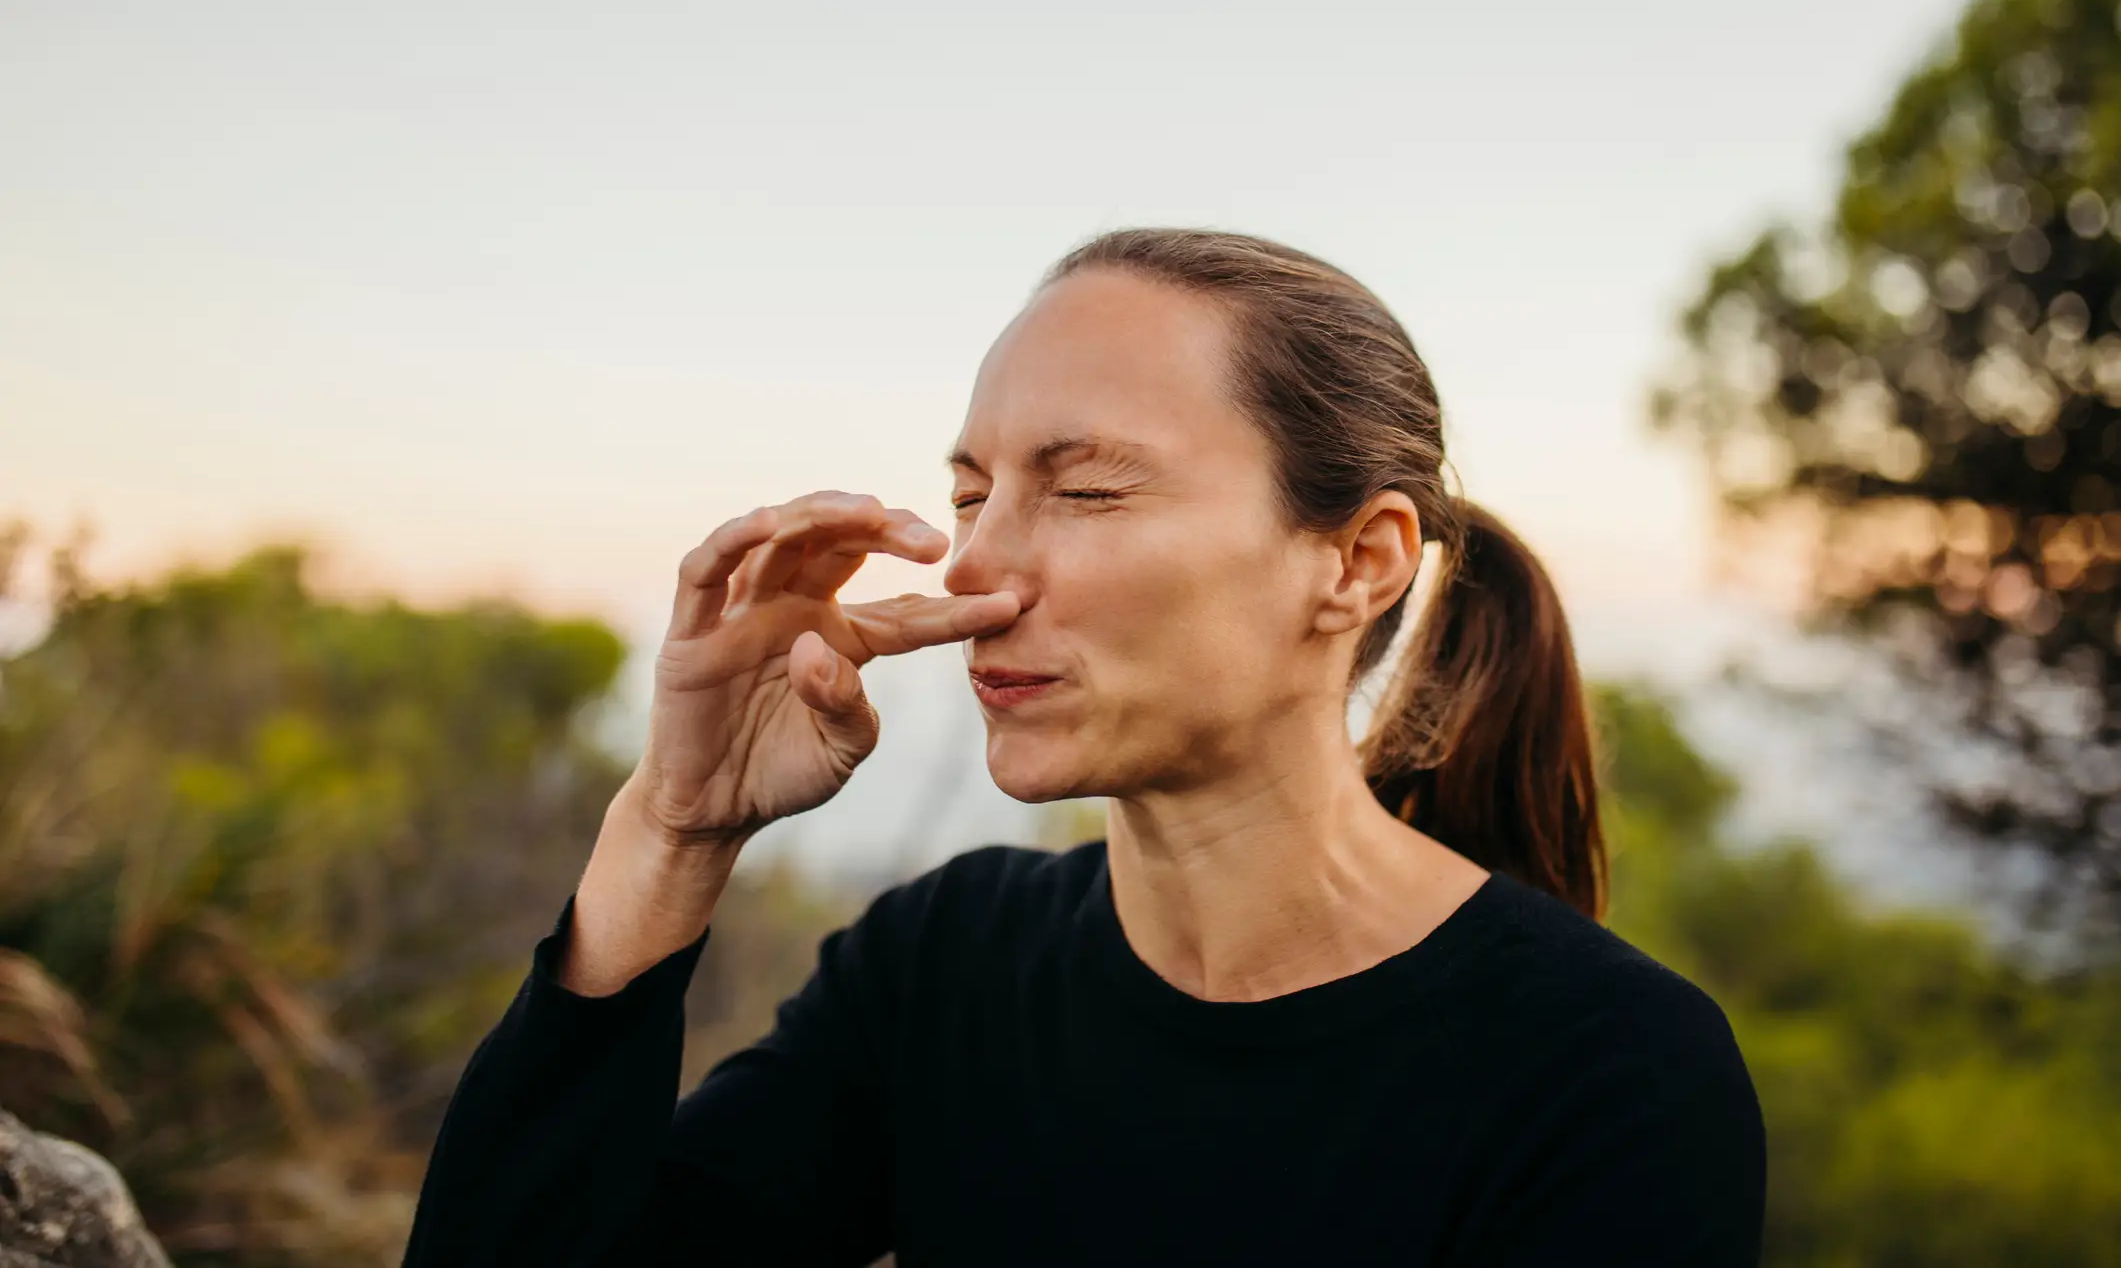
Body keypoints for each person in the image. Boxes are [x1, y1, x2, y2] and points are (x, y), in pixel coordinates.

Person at [401, 229, 1766, 1267]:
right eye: (969, 493)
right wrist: (673, 828)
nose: (977, 568)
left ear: (1355, 562)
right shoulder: (943, 966)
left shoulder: (1608, 1070)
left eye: (1090, 489)